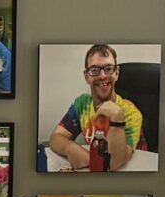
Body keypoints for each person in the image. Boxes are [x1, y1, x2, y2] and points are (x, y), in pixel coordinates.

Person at [44, 44, 142, 173]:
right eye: (95, 70)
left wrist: (117, 118)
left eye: (108, 69)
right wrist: (69, 148)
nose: (102, 76)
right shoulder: (82, 104)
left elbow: (113, 165)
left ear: (117, 73)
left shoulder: (131, 113)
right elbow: (56, 137)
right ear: (87, 77)